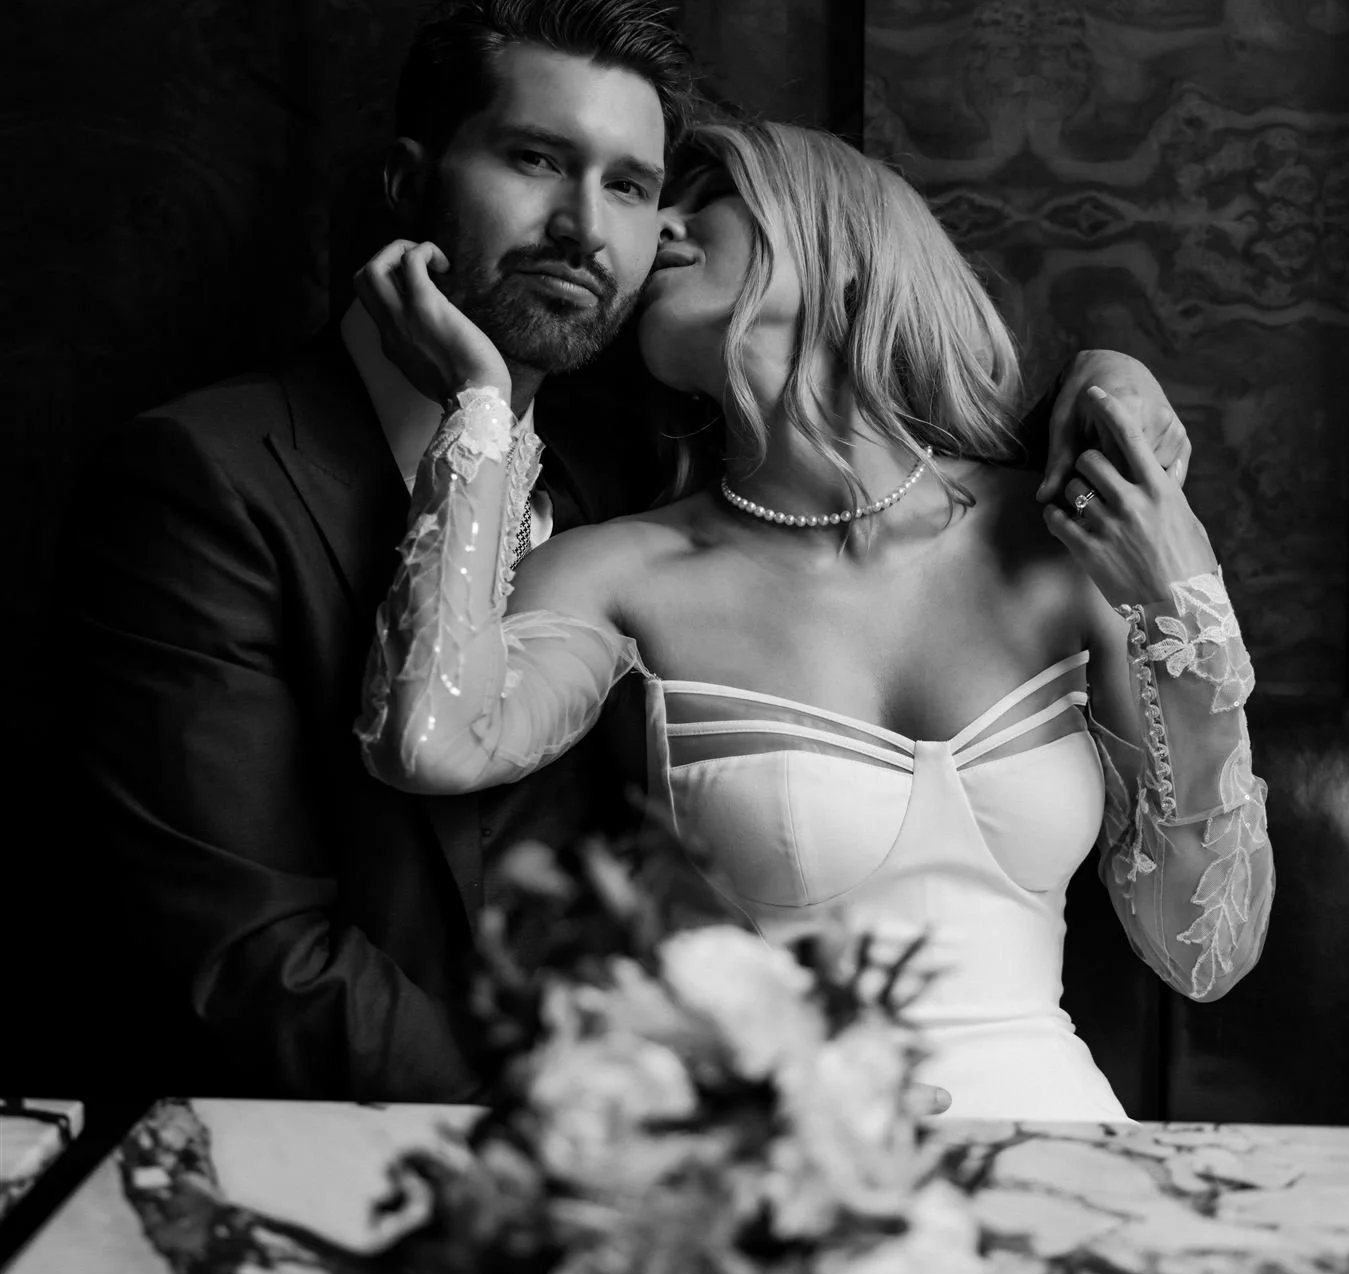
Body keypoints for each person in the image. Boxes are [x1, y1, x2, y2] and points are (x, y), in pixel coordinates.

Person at [81, 0, 1193, 1103]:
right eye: (533, 159)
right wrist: (619, 1137)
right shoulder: (208, 477)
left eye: (633, 185)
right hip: (438, 1150)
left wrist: (1116, 379)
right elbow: (253, 956)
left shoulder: (634, 461)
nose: (593, 227)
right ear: (409, 182)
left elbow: (930, 460)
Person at [356, 116, 1275, 1121]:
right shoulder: (625, 573)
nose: (658, 224)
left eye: (711, 198)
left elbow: (1204, 951)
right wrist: (480, 401)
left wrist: (1185, 602)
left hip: (1067, 1153)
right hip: (788, 1183)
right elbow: (432, 742)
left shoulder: (1057, 534)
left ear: (848, 254)